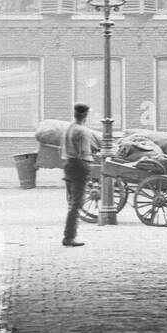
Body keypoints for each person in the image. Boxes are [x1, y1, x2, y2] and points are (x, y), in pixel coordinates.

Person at [62, 103, 101, 246]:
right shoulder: (84, 131)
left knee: (72, 202)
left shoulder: (69, 128)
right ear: (85, 115)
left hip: (68, 165)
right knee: (76, 203)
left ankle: (69, 235)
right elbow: (84, 152)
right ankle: (69, 237)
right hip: (79, 166)